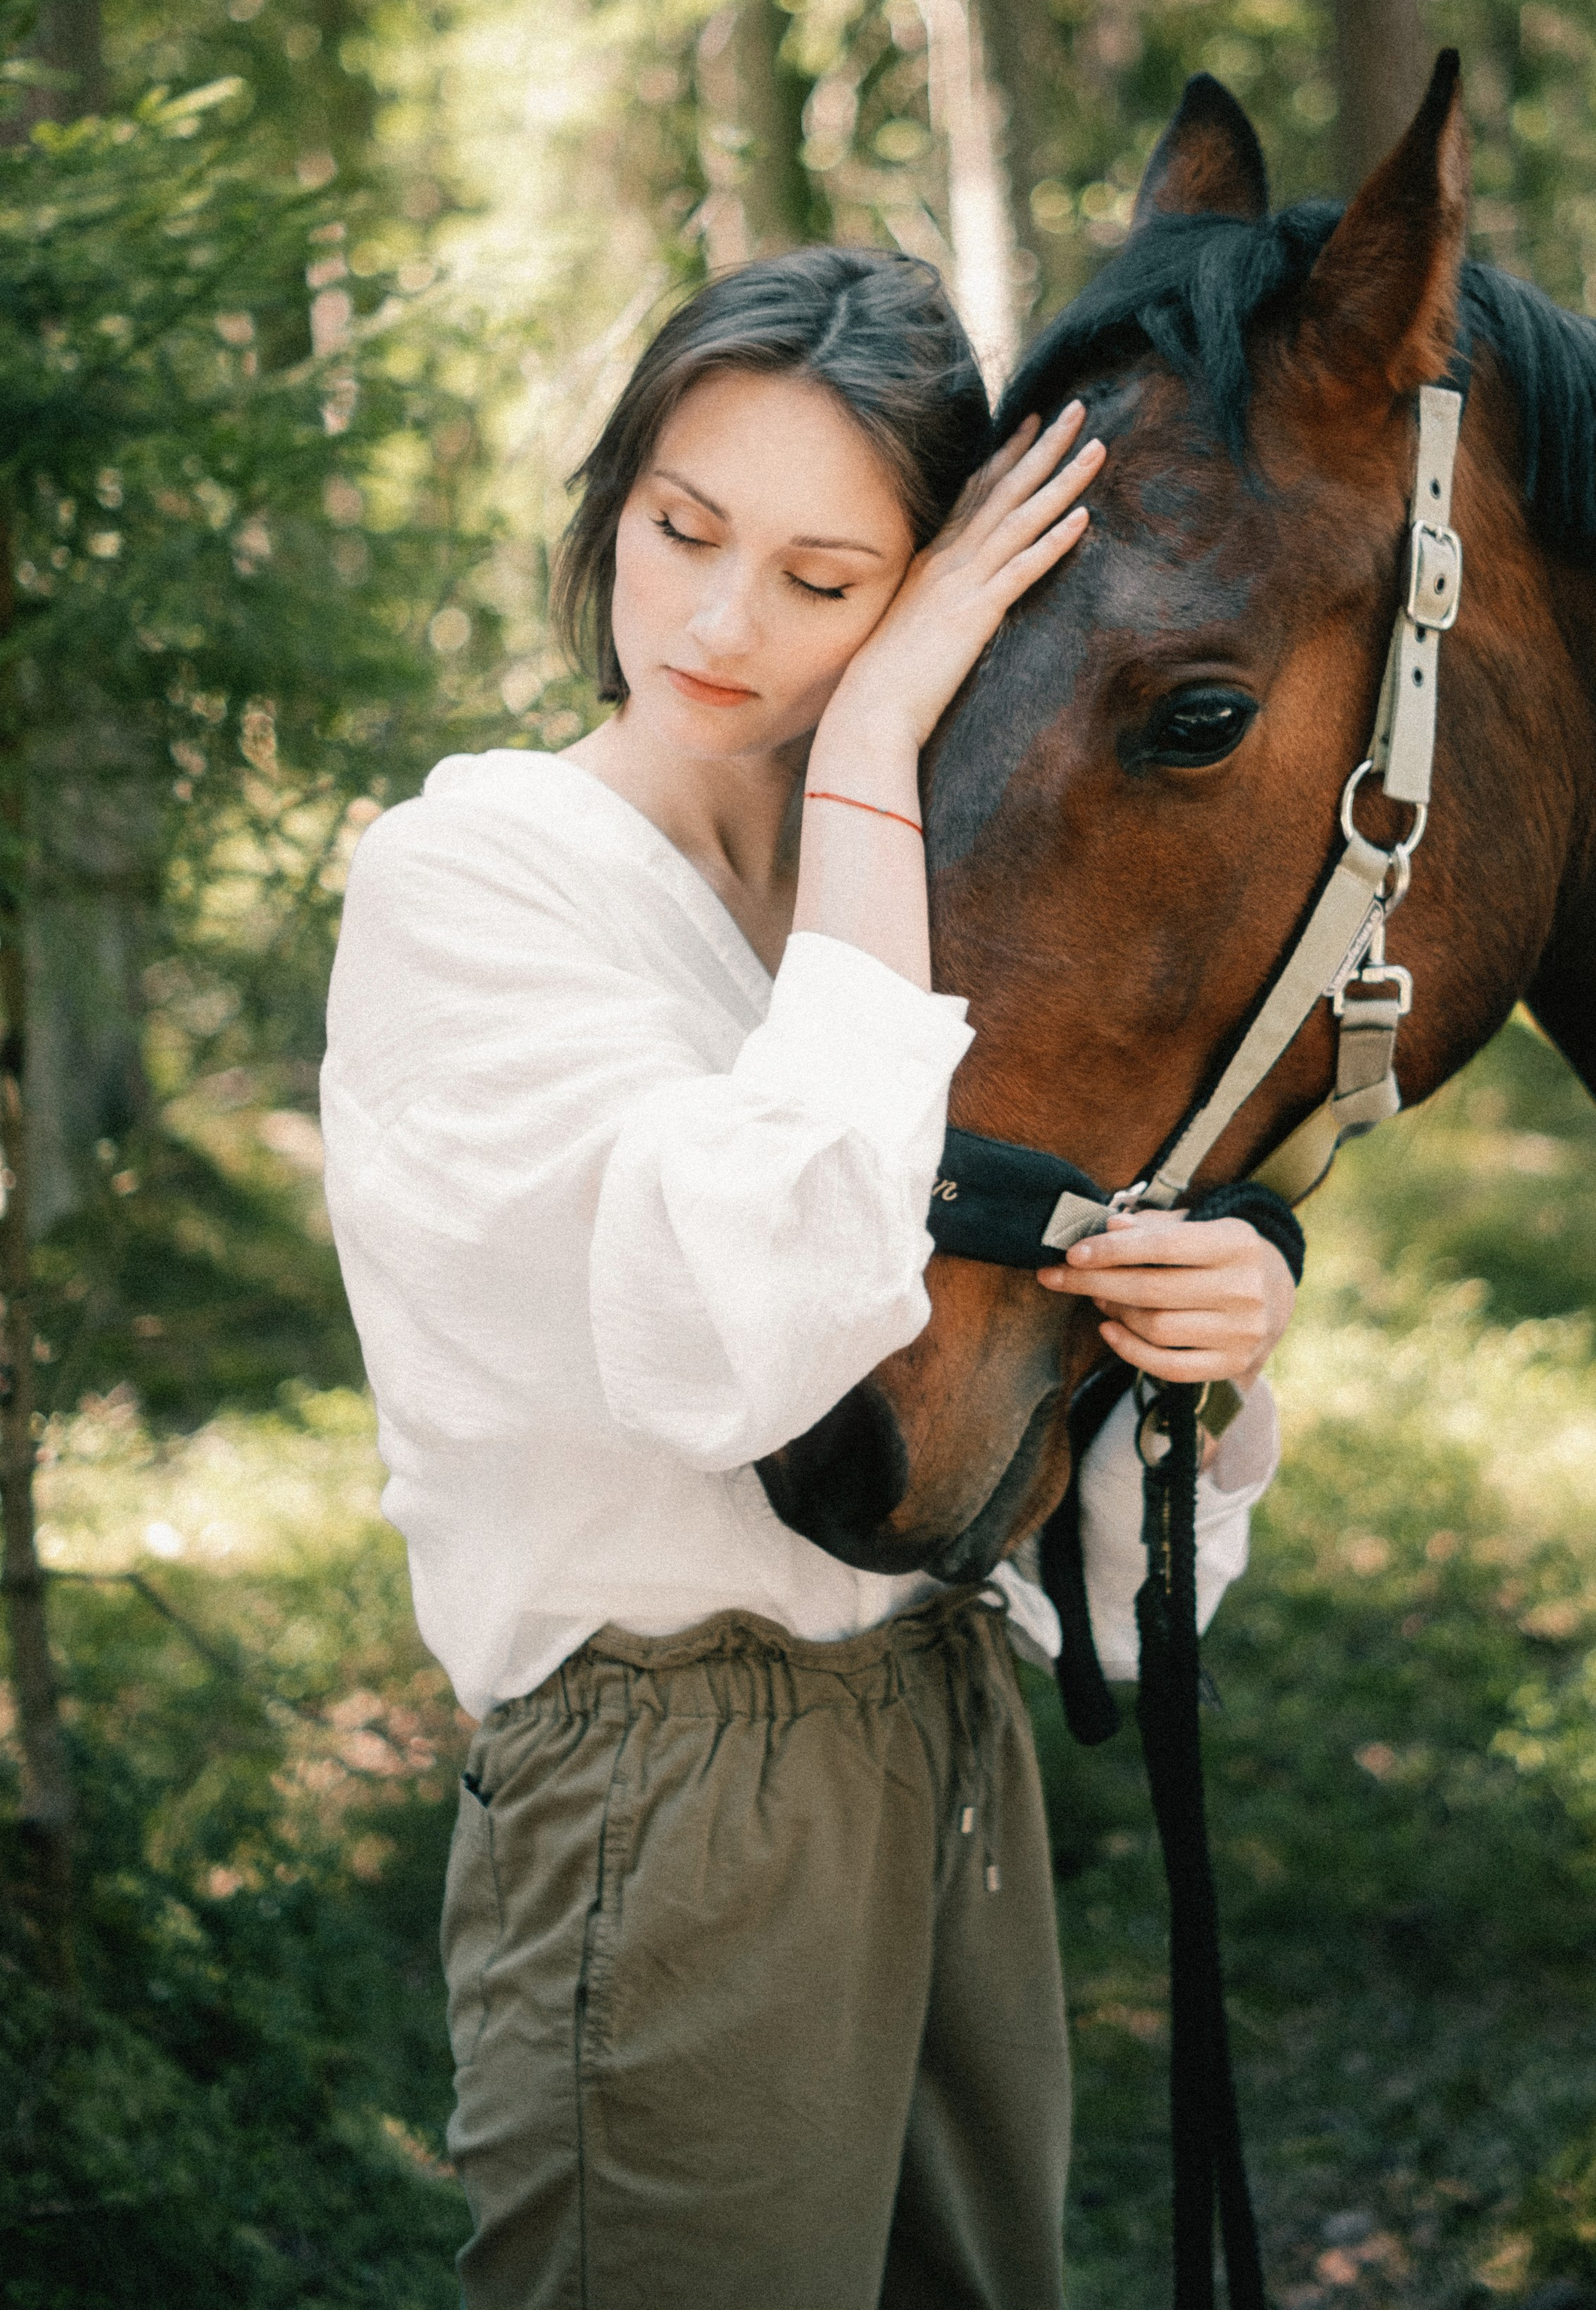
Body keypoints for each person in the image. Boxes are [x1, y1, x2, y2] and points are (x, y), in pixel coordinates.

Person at [320, 247, 1297, 2310]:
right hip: (658, 1790)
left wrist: (1199, 1347)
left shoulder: (911, 914)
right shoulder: (477, 874)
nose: (713, 621)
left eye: (825, 581)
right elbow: (748, 1334)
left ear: (933, 591)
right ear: (612, 497)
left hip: (947, 1757)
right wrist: (869, 757)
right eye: (683, 528)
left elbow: (1066, 1543)